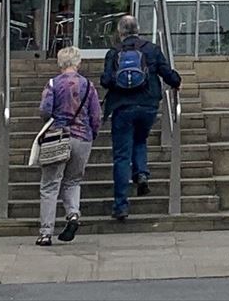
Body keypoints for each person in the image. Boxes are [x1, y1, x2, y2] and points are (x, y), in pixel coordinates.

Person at [100, 12, 181, 221]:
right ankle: (142, 173)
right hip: (148, 105)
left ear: (120, 33)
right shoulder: (151, 49)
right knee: (140, 140)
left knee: (121, 156)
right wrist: (176, 81)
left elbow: (106, 80)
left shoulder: (114, 52)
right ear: (138, 30)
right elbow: (167, 73)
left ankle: (121, 205)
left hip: (122, 107)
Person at [36, 46, 100, 246]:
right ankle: (72, 213)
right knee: (73, 181)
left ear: (60, 63)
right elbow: (95, 115)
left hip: (58, 136)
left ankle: (46, 233)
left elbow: (45, 111)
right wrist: (91, 135)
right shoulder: (89, 86)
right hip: (82, 138)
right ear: (78, 63)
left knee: (50, 185)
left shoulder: (53, 84)